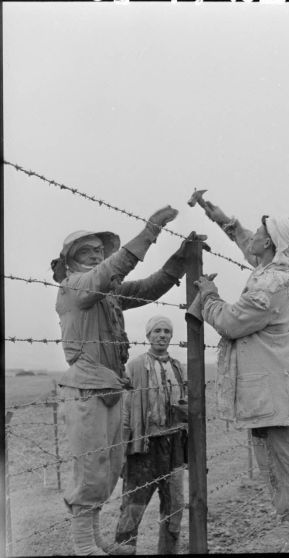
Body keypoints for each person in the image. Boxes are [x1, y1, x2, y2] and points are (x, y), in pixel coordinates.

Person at [52, 206, 196, 556]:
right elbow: (109, 272)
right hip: (86, 388)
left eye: (100, 251)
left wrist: (179, 261)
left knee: (108, 467)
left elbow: (147, 288)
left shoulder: (106, 292)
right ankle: (84, 544)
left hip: (110, 388)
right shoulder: (75, 287)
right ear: (69, 262)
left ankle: (96, 538)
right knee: (90, 469)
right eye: (88, 252)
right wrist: (150, 231)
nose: (98, 256)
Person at [190, 200, 289, 552]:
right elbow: (246, 241)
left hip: (271, 391)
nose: (254, 236)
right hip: (272, 387)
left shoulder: (273, 280)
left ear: (270, 243)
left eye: (260, 233)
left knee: (282, 463)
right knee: (276, 463)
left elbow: (232, 323)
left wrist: (209, 297)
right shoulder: (271, 266)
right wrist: (217, 216)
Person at [114, 315, 188, 555]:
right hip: (143, 447)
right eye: (157, 330)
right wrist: (122, 448)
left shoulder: (178, 367)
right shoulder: (135, 366)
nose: (162, 335)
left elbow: (186, 406)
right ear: (148, 335)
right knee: (133, 507)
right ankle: (125, 550)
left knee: (175, 505)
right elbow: (124, 409)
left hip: (174, 445)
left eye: (167, 331)